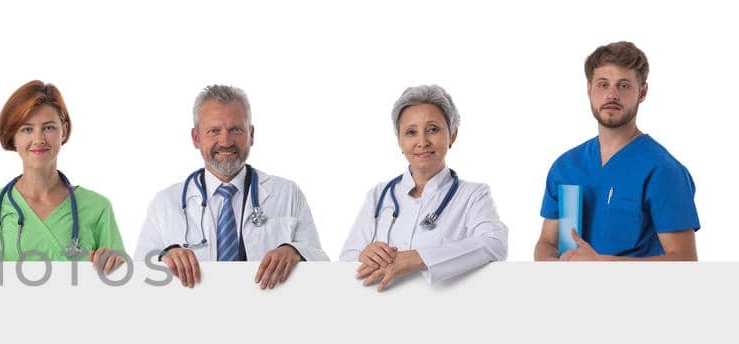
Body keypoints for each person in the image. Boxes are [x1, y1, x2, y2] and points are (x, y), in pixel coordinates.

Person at [134, 85, 327, 289]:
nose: (225, 141)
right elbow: (138, 273)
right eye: (214, 131)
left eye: (235, 130)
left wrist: (295, 251)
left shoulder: (287, 194)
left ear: (251, 135)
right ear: (196, 138)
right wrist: (166, 255)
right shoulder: (165, 203)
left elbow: (323, 267)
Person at [534, 41, 698, 261]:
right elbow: (547, 242)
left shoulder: (663, 171)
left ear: (642, 92)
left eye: (623, 85)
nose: (612, 95)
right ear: (589, 89)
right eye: (603, 84)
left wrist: (602, 264)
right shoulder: (566, 166)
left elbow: (684, 260)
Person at [339, 85, 508, 290]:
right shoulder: (378, 195)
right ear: (400, 141)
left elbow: (494, 245)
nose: (422, 142)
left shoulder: (473, 195)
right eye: (411, 132)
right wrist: (363, 254)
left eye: (433, 130)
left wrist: (418, 258)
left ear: (452, 135)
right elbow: (346, 261)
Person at [0, 80, 125, 278]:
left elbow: (121, 285)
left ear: (64, 130)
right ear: (13, 136)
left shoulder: (97, 207)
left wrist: (116, 262)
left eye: (49, 128)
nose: (39, 139)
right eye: (26, 129)